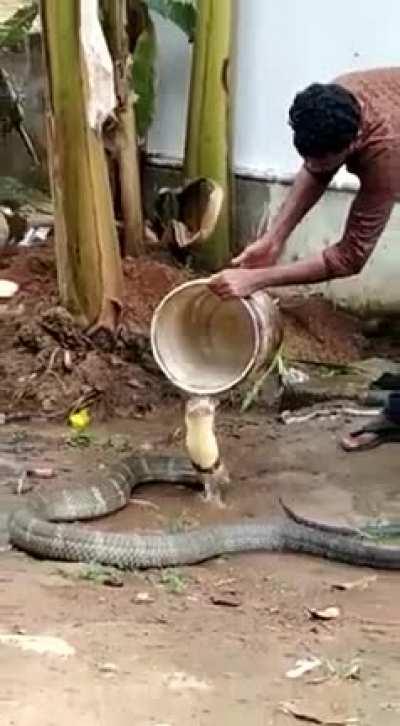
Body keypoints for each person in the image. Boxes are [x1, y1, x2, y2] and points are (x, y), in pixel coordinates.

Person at [208, 67, 400, 451]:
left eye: (328, 159)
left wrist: (256, 280)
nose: (316, 165)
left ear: (354, 141)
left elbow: (350, 257)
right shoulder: (339, 96)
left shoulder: (386, 151)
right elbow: (316, 169)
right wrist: (273, 238)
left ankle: (397, 418)